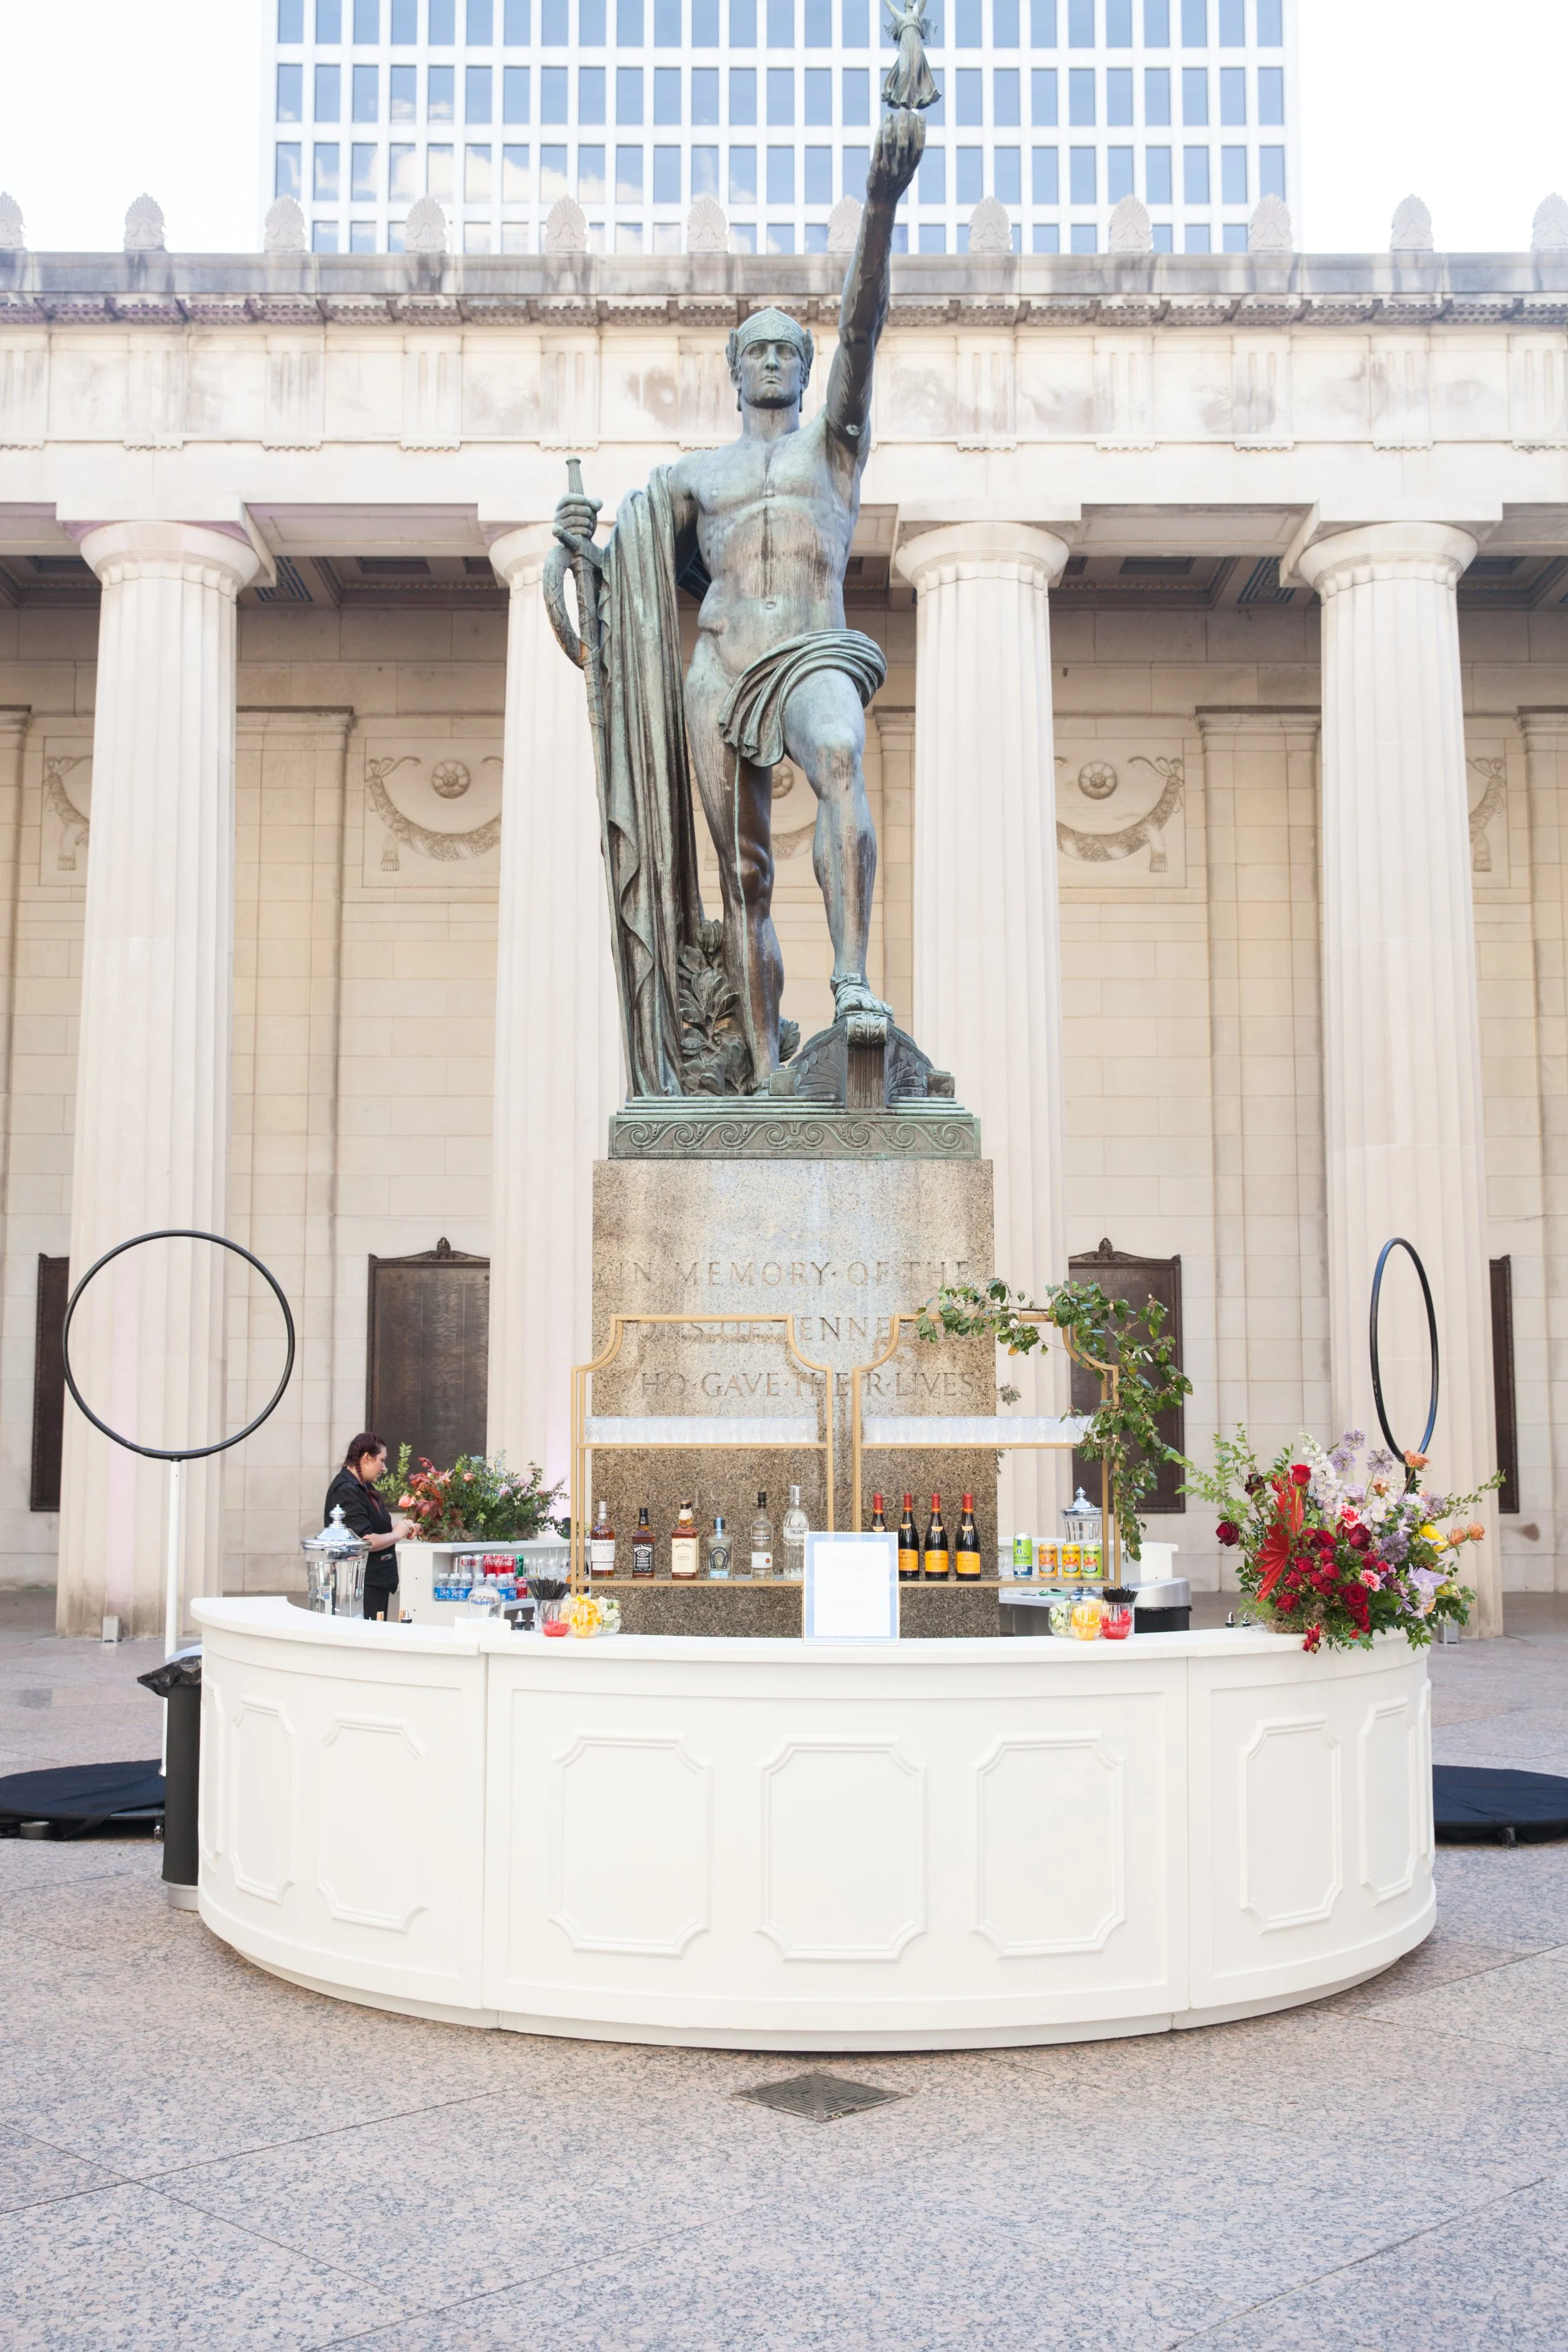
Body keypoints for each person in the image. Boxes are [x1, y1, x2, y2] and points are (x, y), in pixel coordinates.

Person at [324, 1434, 415, 1621]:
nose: (384, 1468)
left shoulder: (362, 1487)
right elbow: (363, 1541)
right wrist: (397, 1535)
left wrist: (404, 1528)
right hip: (361, 1586)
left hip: (374, 1582)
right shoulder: (346, 1490)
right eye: (381, 1460)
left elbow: (374, 1530)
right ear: (366, 1458)